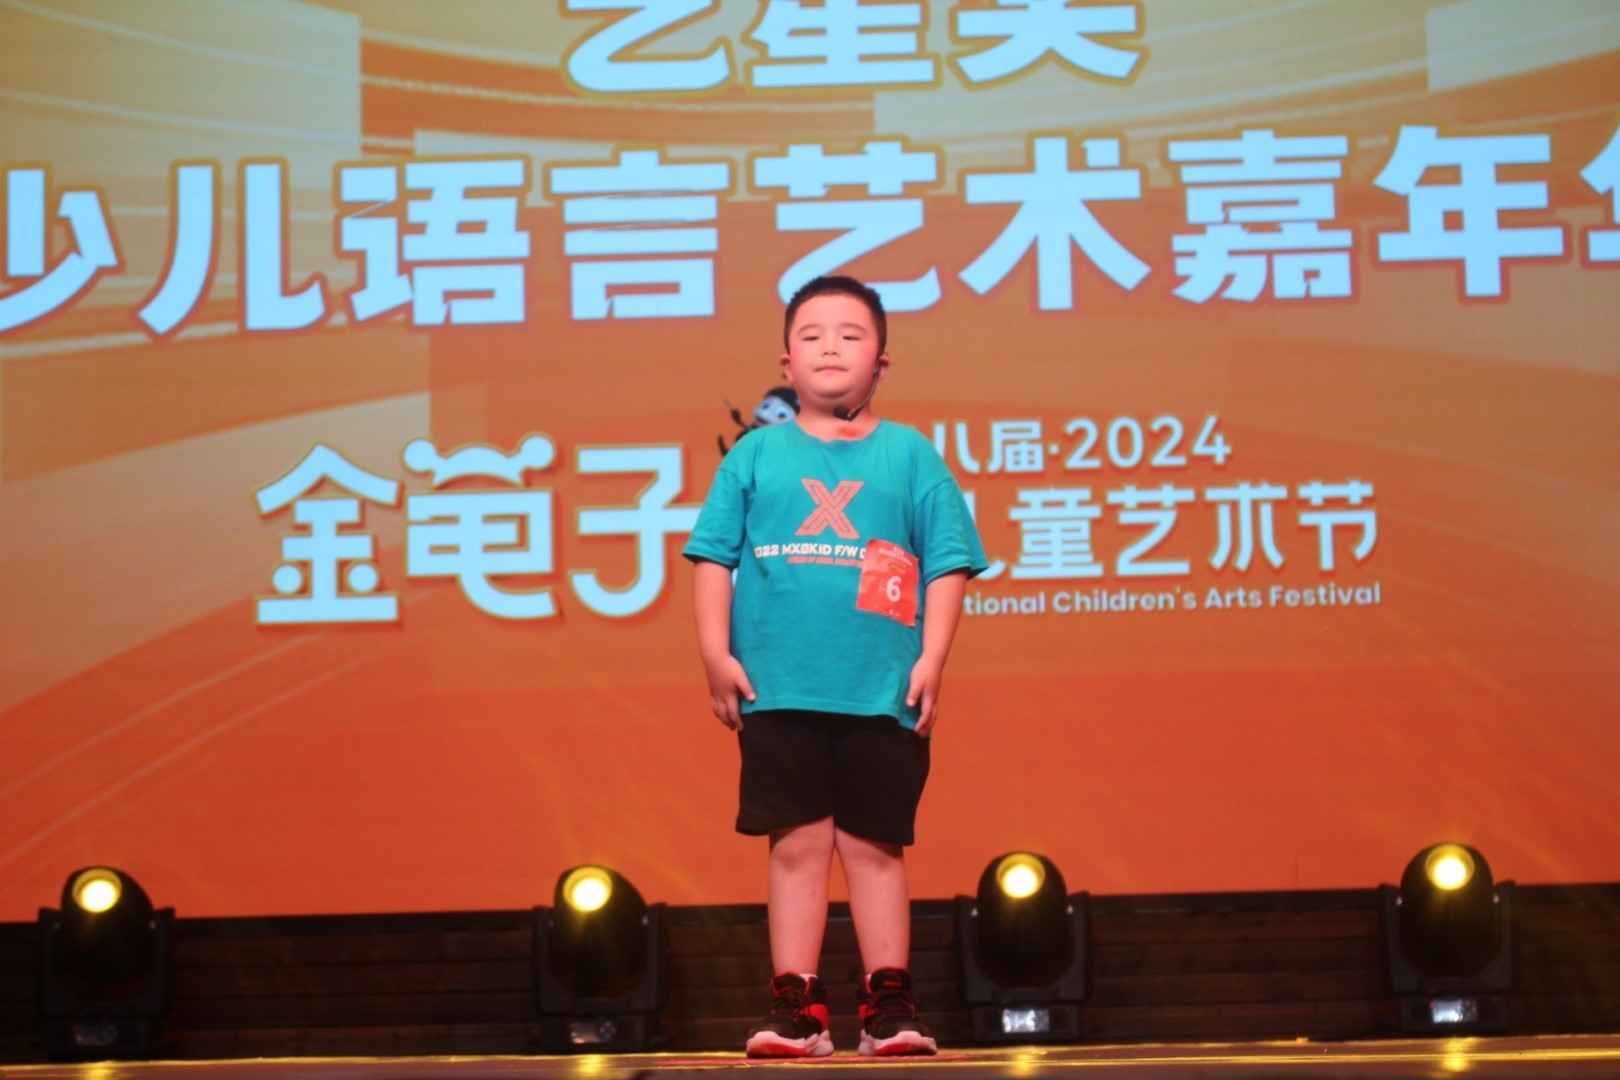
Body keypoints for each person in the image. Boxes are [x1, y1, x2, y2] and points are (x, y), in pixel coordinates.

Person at [683, 275, 988, 1057]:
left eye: (851, 336)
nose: (830, 348)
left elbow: (947, 561)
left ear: (881, 361)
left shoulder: (910, 454)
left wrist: (934, 658)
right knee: (796, 845)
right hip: (779, 687)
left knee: (874, 846)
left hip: (881, 689)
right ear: (787, 362)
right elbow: (713, 557)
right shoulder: (755, 454)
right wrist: (716, 655)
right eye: (812, 335)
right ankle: (799, 1008)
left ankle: (889, 1005)